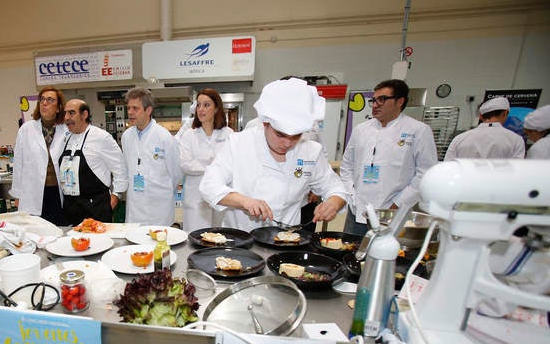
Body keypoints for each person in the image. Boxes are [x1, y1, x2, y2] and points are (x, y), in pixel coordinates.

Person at [200, 78, 348, 232]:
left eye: (296, 136)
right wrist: (244, 201)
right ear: (265, 123)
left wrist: (333, 203)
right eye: (280, 134)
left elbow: (336, 187)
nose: (287, 143)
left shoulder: (310, 151)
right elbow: (209, 186)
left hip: (285, 241)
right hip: (241, 240)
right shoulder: (239, 143)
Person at [340, 79, 437, 236]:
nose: (375, 104)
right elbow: (347, 166)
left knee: (387, 253)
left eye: (382, 99)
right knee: (352, 251)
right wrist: (351, 195)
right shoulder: (361, 130)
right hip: (357, 209)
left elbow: (425, 174)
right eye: (374, 100)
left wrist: (398, 204)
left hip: (393, 211)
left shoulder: (418, 130)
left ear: (400, 101)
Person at [58, 99, 128, 224]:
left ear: (84, 114)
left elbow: (120, 169)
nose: (66, 117)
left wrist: (116, 196)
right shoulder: (65, 139)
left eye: (71, 113)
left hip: (96, 208)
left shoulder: (101, 137)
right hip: (71, 208)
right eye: (65, 113)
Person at [121, 87, 183, 225]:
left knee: (158, 243)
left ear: (148, 110)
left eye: (135, 108)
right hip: (135, 206)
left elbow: (177, 173)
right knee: (134, 244)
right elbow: (127, 168)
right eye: (129, 108)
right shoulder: (126, 136)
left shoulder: (164, 136)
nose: (130, 112)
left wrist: (158, 186)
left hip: (159, 207)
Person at [10, 87, 67, 225]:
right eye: (42, 99)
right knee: (36, 231)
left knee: (59, 230)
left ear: (59, 107)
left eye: (50, 100)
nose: (44, 103)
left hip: (59, 192)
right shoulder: (26, 129)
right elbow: (18, 164)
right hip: (33, 192)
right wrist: (17, 195)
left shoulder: (66, 129)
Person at [179, 89, 233, 231]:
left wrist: (204, 164)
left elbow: (234, 165)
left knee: (220, 239)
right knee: (195, 240)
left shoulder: (229, 135)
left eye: (206, 105)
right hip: (196, 199)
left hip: (222, 197)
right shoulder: (189, 135)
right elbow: (185, 164)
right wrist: (215, 165)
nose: (201, 109)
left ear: (216, 109)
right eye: (199, 105)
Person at [444, 97, 525, 160]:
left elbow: (448, 167)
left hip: (466, 180)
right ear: (505, 113)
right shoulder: (516, 140)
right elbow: (516, 169)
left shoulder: (460, 139)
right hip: (498, 181)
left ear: (481, 117)